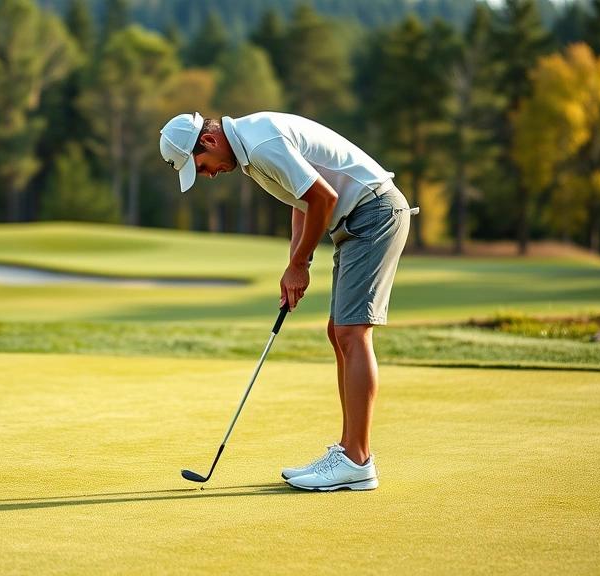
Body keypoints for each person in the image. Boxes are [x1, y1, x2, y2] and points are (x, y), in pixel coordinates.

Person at [159, 111, 415, 491]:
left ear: (209, 142)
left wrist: (298, 265)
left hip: (373, 212)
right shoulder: (250, 150)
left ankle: (358, 460)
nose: (209, 175)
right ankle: (348, 451)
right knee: (339, 332)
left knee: (351, 333)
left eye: (202, 167)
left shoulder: (260, 143)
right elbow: (303, 200)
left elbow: (323, 198)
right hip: (357, 219)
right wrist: (298, 262)